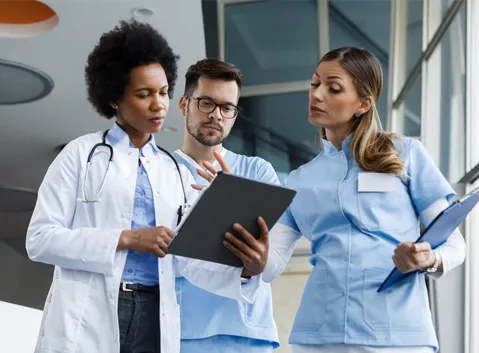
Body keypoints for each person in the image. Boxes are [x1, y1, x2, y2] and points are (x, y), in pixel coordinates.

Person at [25, 20, 265, 353]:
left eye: (164, 92)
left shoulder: (174, 171)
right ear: (114, 99)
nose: (159, 104)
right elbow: (40, 240)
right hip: (91, 311)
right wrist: (127, 238)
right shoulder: (81, 155)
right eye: (144, 94)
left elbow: (186, 260)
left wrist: (246, 271)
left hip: (155, 314)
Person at [229, 46, 466, 353]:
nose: (317, 95)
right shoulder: (300, 179)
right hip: (319, 336)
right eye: (315, 84)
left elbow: (455, 244)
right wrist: (253, 261)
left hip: (398, 334)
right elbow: (271, 265)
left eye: (334, 88)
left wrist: (429, 258)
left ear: (363, 103)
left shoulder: (405, 154)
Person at [171, 58, 280, 353]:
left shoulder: (258, 172)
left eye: (227, 107)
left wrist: (232, 198)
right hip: (182, 332)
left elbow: (272, 262)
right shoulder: (158, 171)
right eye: (206, 103)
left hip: (247, 333)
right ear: (184, 105)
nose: (216, 115)